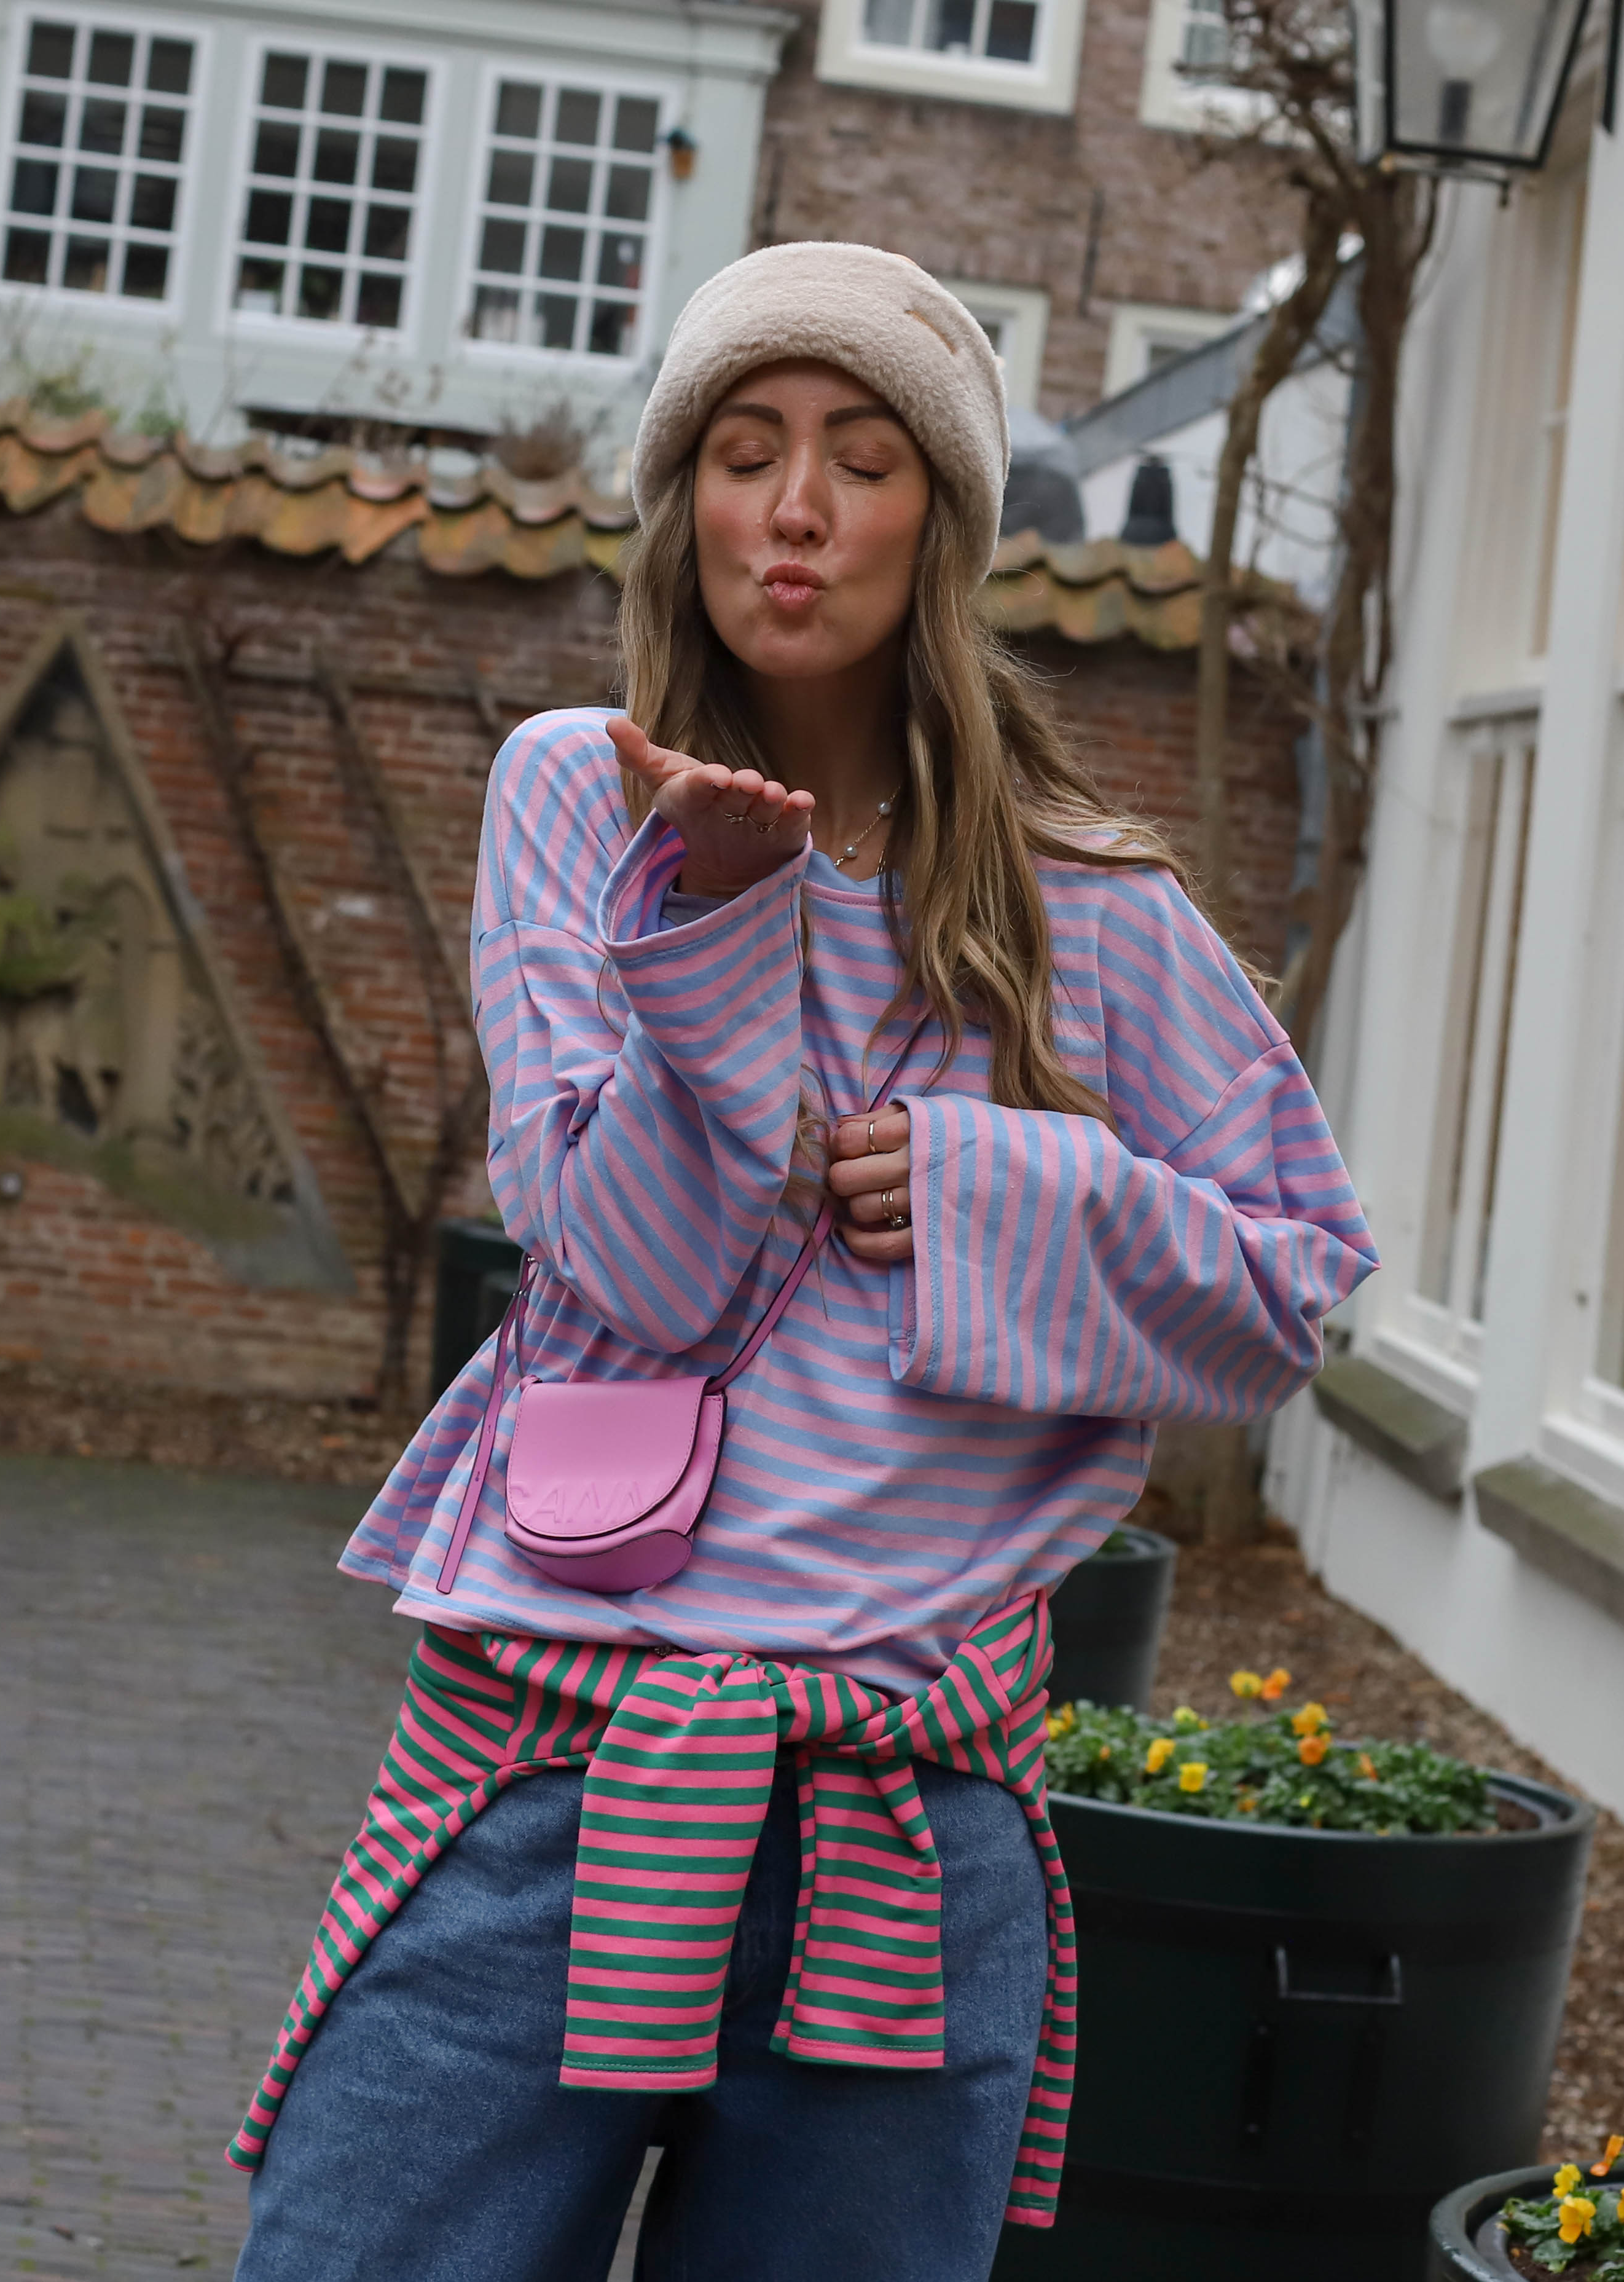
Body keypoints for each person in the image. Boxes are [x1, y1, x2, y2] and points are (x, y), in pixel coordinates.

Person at [227, 242, 1376, 2282]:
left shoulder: (1086, 905)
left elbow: (1292, 1286)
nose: (797, 505)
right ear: (685, 502)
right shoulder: (577, 794)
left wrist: (992, 1190)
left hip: (905, 1818)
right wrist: (712, 929)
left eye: (863, 456)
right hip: (558, 1772)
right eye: (745, 450)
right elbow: (638, 1271)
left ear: (940, 524)